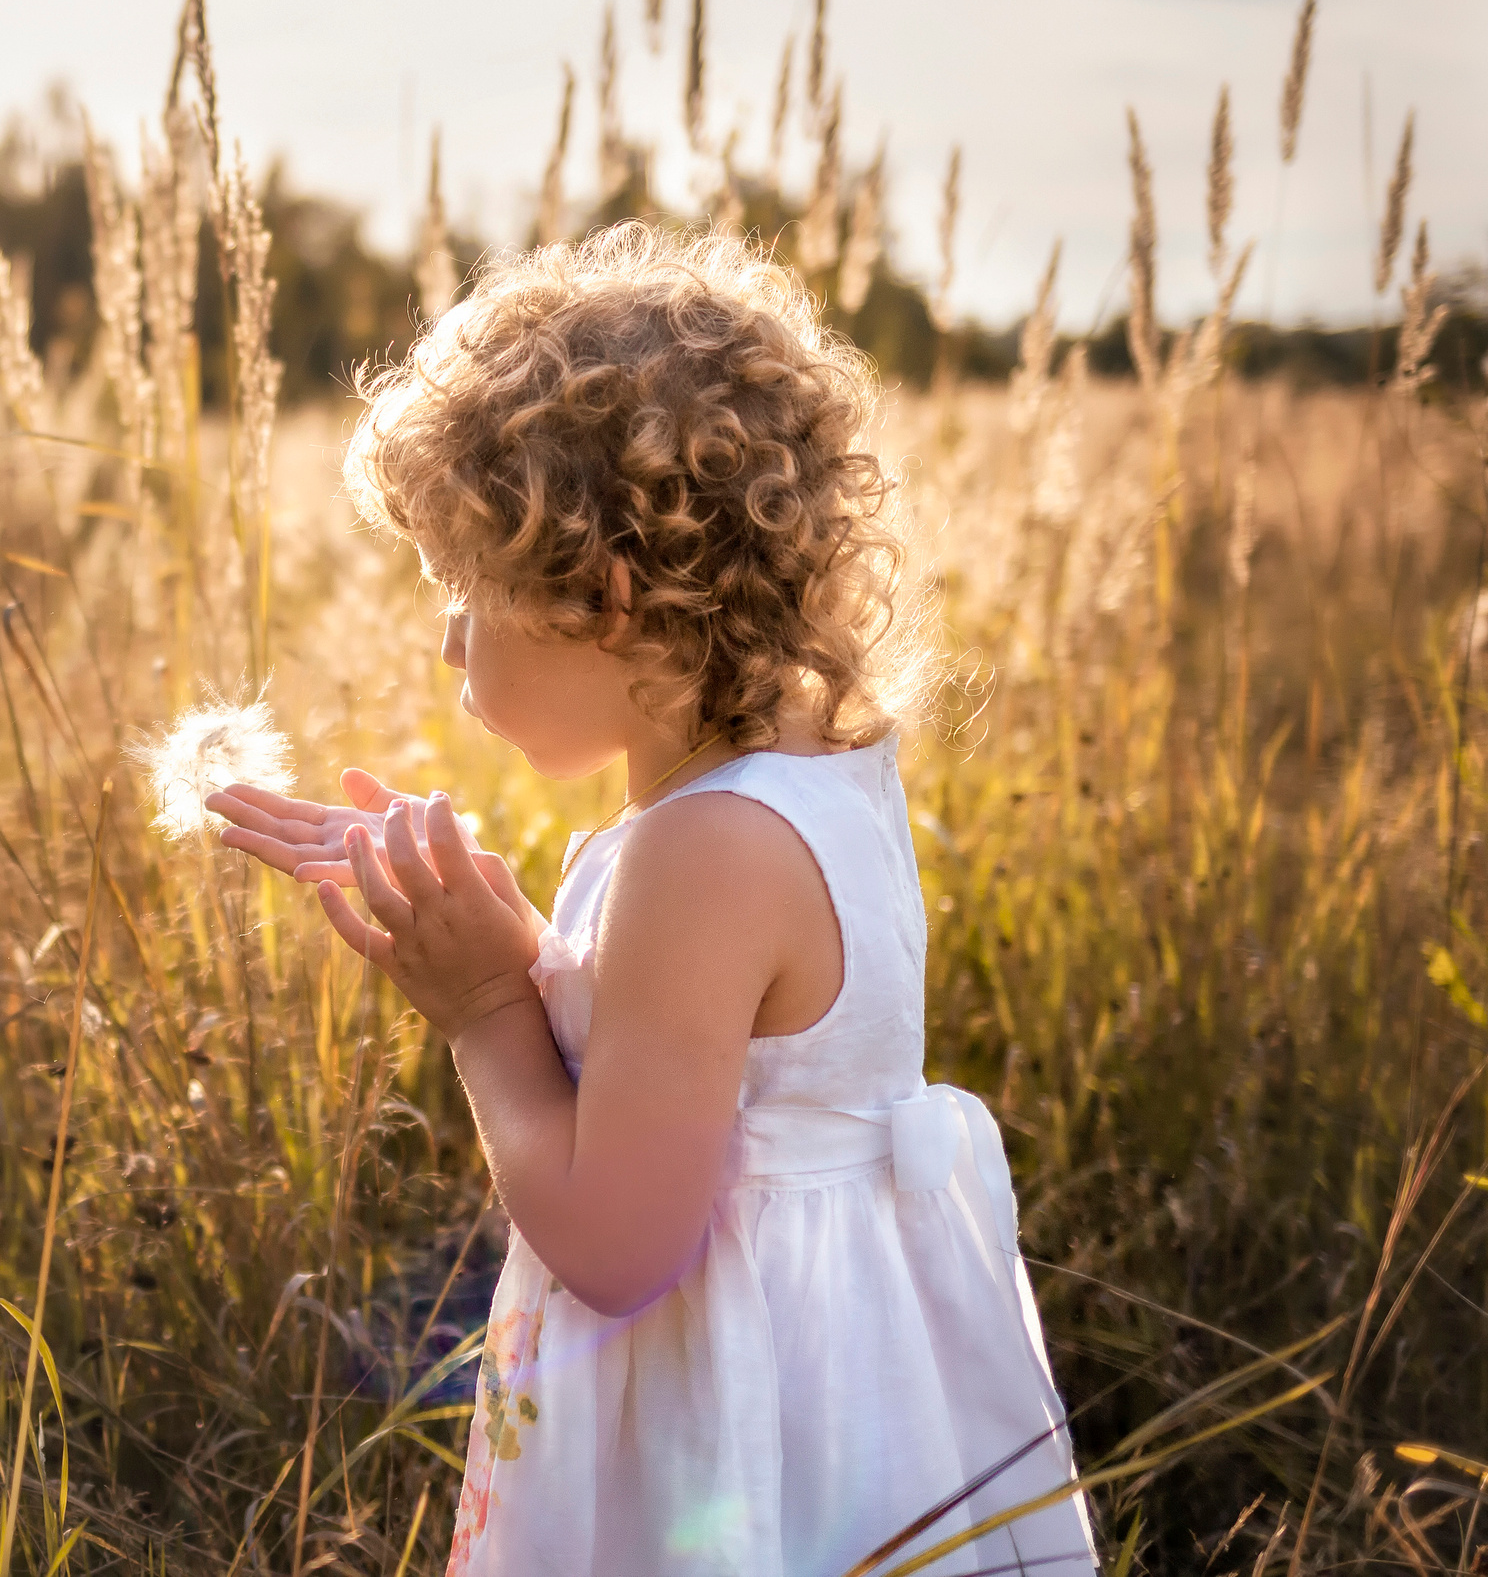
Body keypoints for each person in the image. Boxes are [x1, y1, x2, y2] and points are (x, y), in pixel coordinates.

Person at [209, 224, 1097, 1575]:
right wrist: (521, 946)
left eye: (466, 592)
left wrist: (484, 1008)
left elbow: (620, 1245)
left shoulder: (704, 852)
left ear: (607, 602)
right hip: (842, 1392)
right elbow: (699, 1058)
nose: (447, 637)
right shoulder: (819, 775)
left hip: (733, 1430)